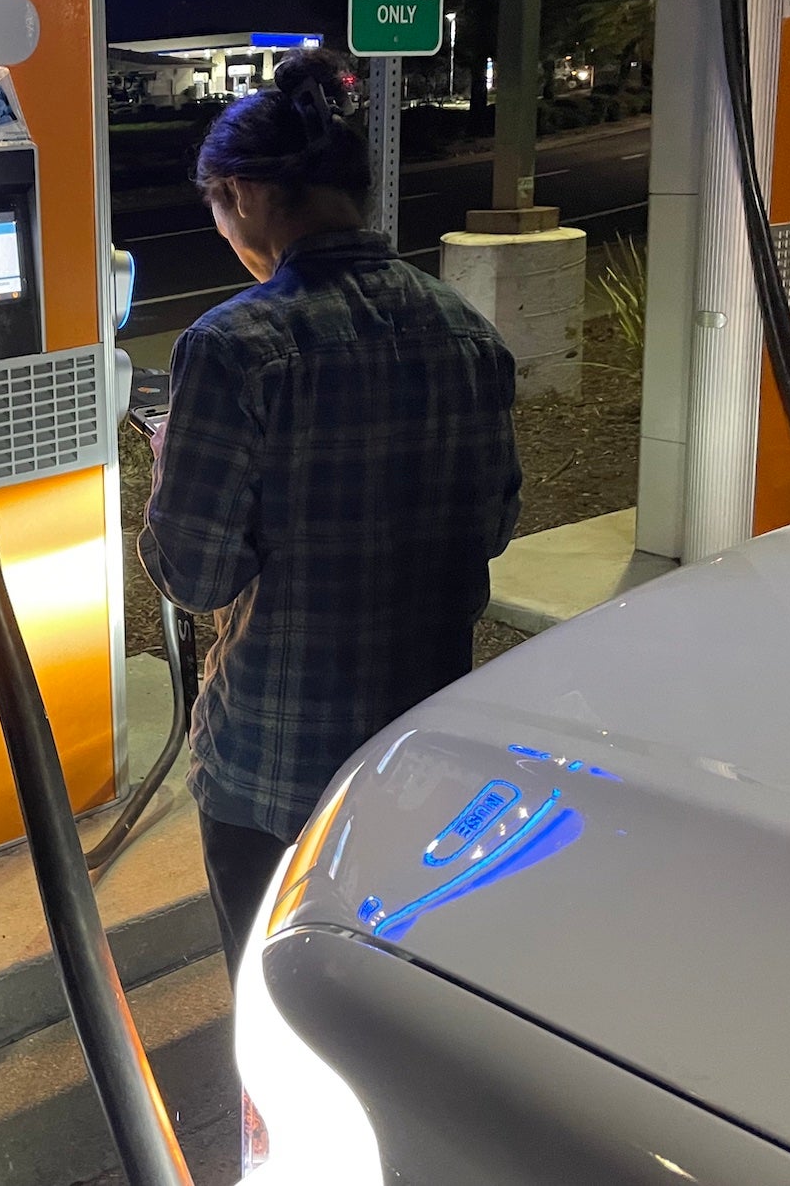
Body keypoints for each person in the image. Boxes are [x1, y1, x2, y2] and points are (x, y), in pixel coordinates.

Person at [139, 53, 521, 975]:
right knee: (393, 997)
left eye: (219, 209)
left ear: (249, 197)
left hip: (275, 764)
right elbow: (494, 524)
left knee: (280, 1003)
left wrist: (168, 466)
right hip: (423, 753)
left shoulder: (234, 348)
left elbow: (194, 576)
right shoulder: (466, 333)